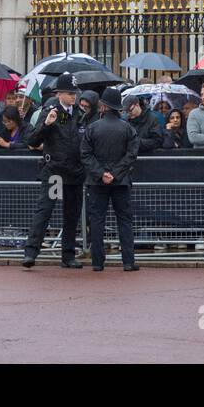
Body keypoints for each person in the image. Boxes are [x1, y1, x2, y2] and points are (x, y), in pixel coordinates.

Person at [22, 74, 85, 269]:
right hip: (56, 172)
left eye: (74, 92)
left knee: (72, 214)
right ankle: (31, 252)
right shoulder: (50, 111)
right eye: (69, 93)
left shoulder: (79, 113)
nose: (73, 96)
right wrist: (47, 125)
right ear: (59, 94)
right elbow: (32, 140)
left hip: (75, 172)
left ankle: (68, 255)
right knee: (46, 210)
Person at [80, 86, 140, 272]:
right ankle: (128, 261)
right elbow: (131, 154)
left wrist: (101, 173)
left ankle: (97, 262)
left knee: (97, 220)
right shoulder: (128, 128)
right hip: (120, 181)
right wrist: (115, 173)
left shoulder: (92, 127)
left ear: (103, 106)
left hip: (97, 181)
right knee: (124, 220)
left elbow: (85, 154)